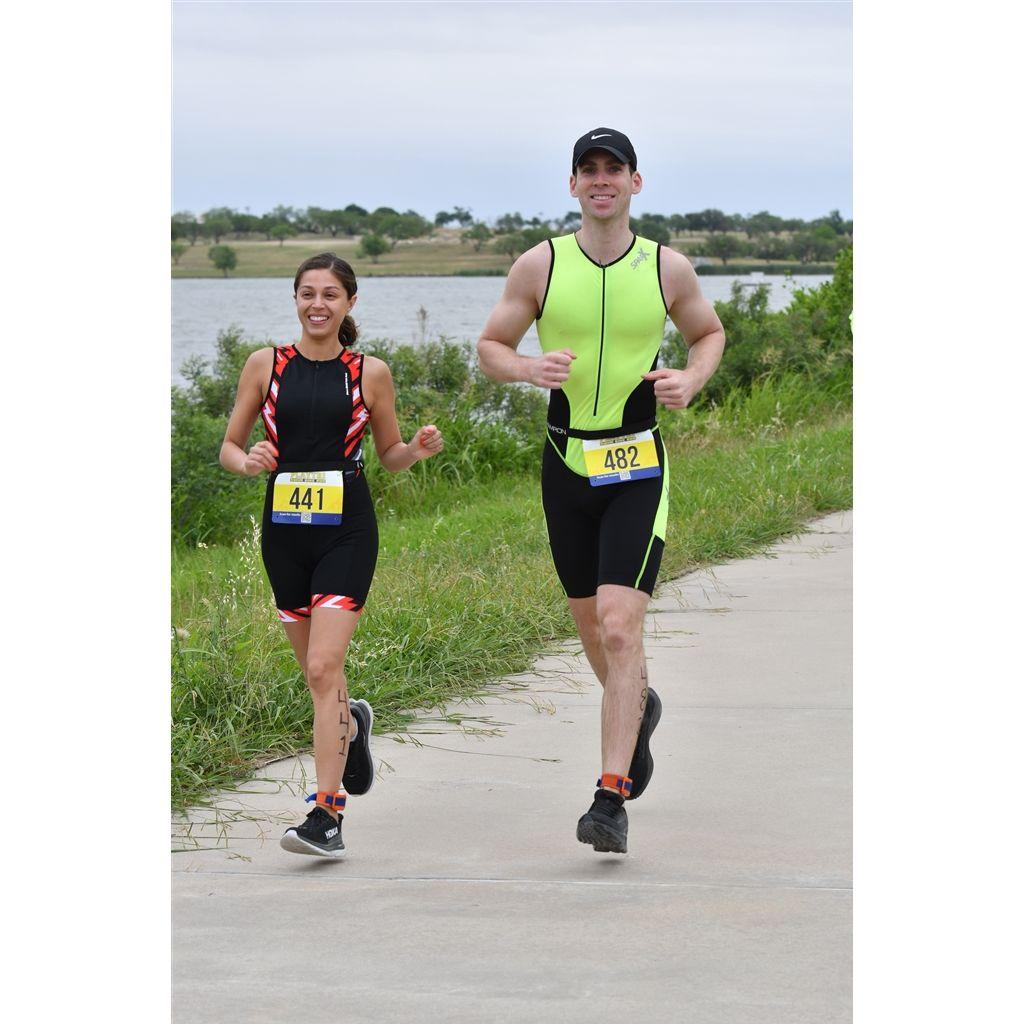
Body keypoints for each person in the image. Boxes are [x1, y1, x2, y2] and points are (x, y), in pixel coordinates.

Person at [477, 129, 726, 854]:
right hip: (566, 466)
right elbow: (492, 348)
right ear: (574, 185)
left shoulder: (666, 267)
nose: (601, 180)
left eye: (612, 169)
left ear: (635, 183)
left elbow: (707, 334)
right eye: (588, 170)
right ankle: (638, 706)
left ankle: (609, 799)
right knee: (591, 627)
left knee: (621, 625)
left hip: (638, 464)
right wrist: (528, 371)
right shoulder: (541, 264)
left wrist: (690, 378)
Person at [220, 252, 444, 858]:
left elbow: (390, 453)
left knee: (323, 668)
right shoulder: (266, 364)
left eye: (330, 295)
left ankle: (326, 815)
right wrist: (249, 462)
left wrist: (417, 450)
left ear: (349, 303)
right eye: (307, 294)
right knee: (319, 677)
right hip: (284, 530)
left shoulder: (369, 372)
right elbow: (230, 448)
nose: (317, 304)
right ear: (294, 300)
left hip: (347, 529)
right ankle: (352, 727)